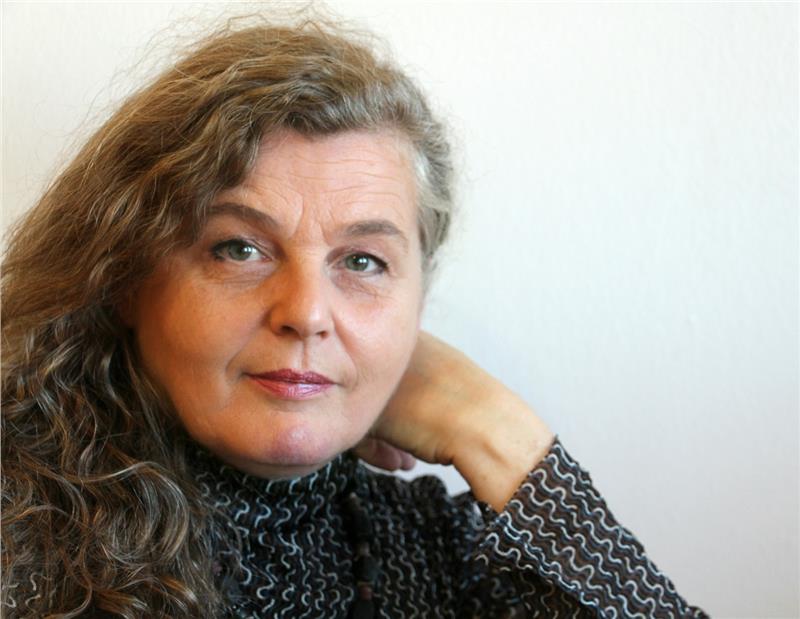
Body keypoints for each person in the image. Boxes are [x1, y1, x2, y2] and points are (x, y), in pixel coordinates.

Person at [1, 15, 709, 618]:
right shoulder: (17, 526)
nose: (307, 313)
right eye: (240, 248)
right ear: (125, 277)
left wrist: (498, 434)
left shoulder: (440, 549)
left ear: (417, 306)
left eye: (363, 261)